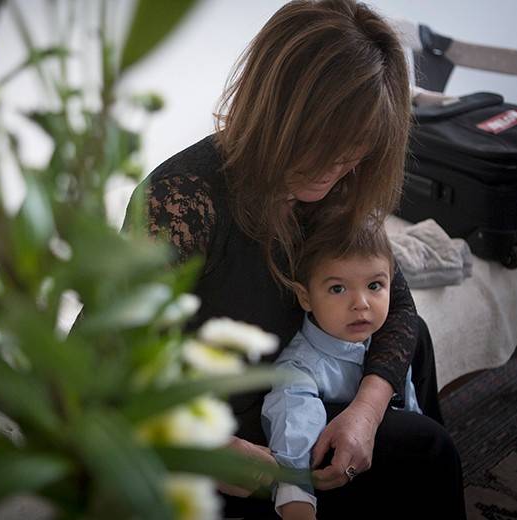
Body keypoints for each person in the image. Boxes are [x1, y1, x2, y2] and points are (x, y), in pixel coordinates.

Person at [124, 0, 466, 518]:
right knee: (428, 452)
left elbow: (398, 305)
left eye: (359, 148)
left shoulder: (341, 179)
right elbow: (107, 364)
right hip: (231, 432)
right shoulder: (178, 203)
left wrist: (366, 414)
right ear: (277, 112)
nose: (342, 165)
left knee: (413, 357)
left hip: (313, 382)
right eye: (328, 145)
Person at [262, 222, 422, 519]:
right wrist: (298, 508)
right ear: (305, 297)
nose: (360, 304)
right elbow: (292, 442)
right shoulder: (298, 370)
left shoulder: (378, 339)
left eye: (375, 285)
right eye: (338, 288)